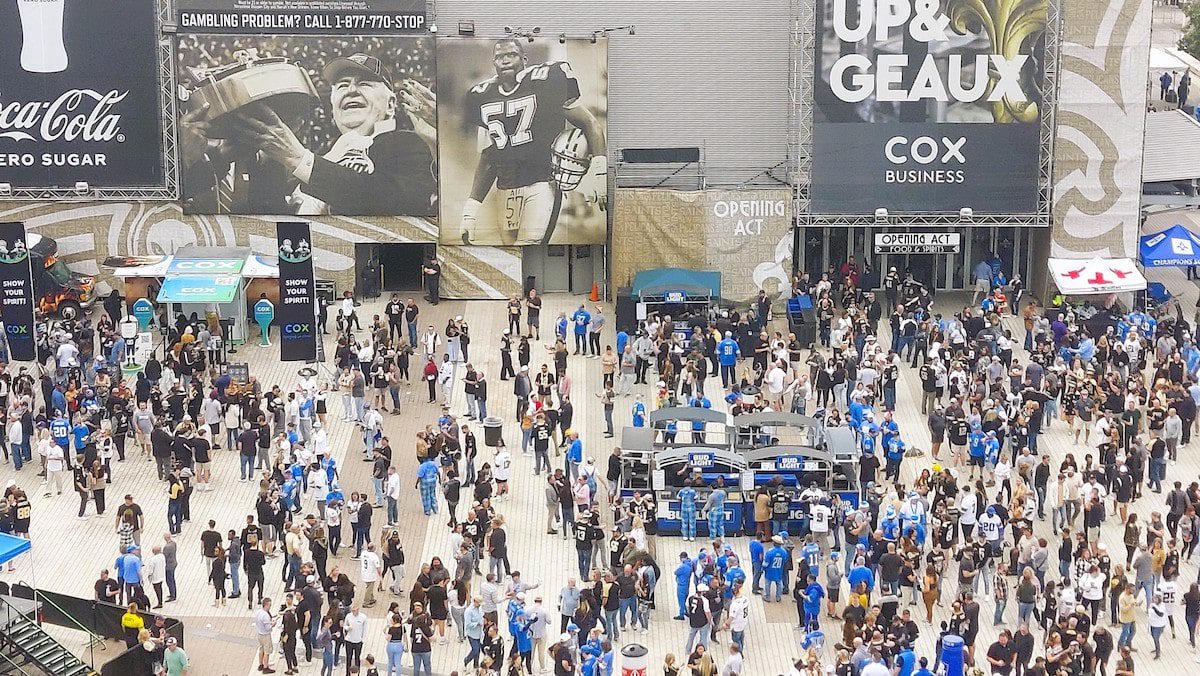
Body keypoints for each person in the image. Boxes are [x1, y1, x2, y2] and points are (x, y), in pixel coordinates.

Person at [180, 51, 436, 216]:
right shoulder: (309, 164)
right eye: (342, 85)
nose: (352, 90)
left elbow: (396, 200)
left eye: (365, 84)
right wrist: (220, 157)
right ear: (332, 106)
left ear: (391, 104)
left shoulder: (409, 144)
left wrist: (296, 158)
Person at [458, 39, 606, 246]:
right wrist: (470, 212)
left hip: (541, 184)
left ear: (524, 59)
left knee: (529, 247)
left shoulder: (545, 81)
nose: (505, 60)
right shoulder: (482, 96)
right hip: (505, 189)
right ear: (494, 63)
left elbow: (590, 124)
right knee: (512, 253)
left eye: (511, 55)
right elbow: (488, 157)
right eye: (500, 57)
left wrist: (600, 173)